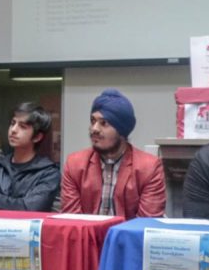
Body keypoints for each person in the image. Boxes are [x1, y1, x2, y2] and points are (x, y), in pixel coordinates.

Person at [61, 88, 166, 219]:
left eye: (103, 123)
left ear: (122, 131)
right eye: (93, 121)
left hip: (128, 239)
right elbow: (72, 221)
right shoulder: (74, 164)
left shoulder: (149, 167)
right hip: (86, 238)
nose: (94, 129)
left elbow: (145, 225)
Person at [0, 102, 60, 211]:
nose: (13, 130)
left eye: (22, 126)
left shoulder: (48, 173)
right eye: (13, 123)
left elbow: (28, 208)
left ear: (37, 137)